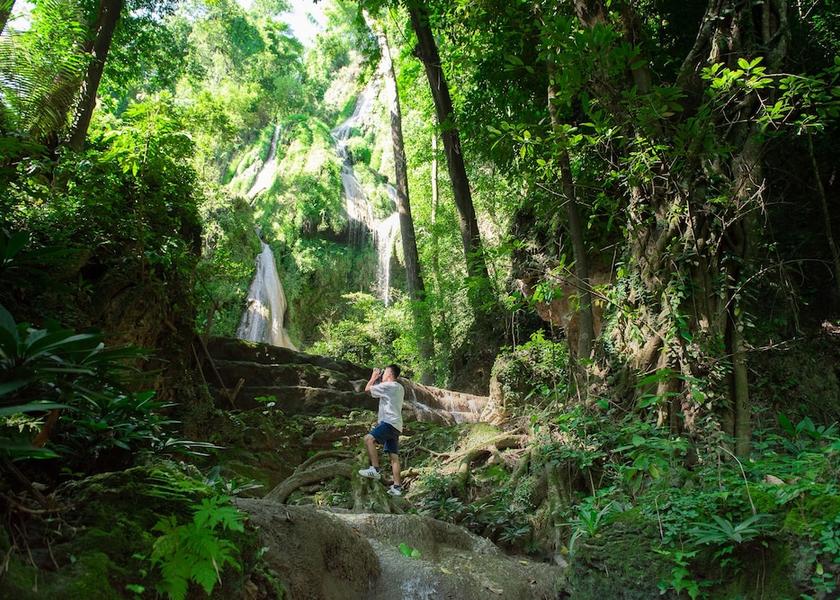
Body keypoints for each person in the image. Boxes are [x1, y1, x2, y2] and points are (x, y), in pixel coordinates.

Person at [358, 364, 404, 496]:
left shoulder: (388, 386)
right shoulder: (400, 387)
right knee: (394, 457)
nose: (382, 376)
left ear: (389, 374)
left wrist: (373, 377)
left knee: (368, 439)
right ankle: (397, 487)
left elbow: (367, 390)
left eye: (384, 373)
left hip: (388, 423)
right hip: (397, 425)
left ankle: (375, 470)